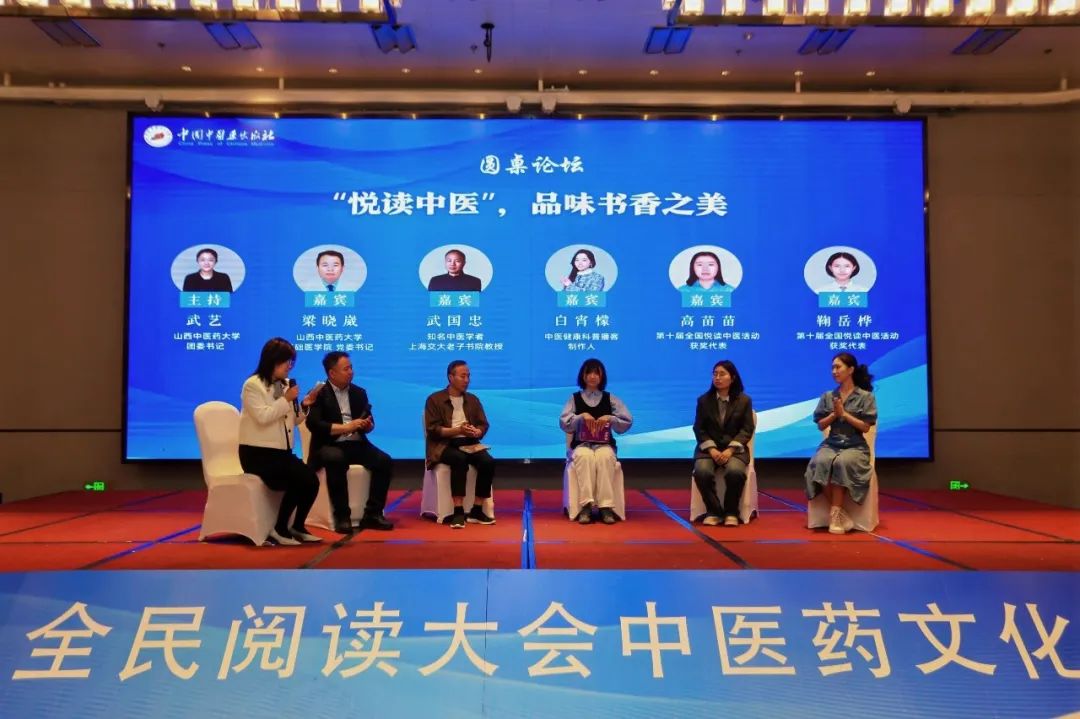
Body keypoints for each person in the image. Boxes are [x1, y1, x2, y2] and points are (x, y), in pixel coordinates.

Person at [238, 337, 323, 546]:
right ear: (273, 361)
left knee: (311, 480)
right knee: (298, 480)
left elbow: (292, 420)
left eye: (291, 362)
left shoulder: (284, 385)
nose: (289, 367)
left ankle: (297, 526)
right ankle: (280, 529)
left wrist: (305, 405)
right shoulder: (252, 385)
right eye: (287, 362)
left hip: (281, 453)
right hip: (258, 454)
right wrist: (286, 399)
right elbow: (263, 417)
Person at [305, 351, 394, 534]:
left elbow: (369, 423)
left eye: (351, 368)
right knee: (336, 458)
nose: (351, 372)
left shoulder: (359, 392)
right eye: (346, 369)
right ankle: (342, 516)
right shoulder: (318, 394)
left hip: (356, 443)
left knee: (384, 461)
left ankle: (373, 514)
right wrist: (345, 427)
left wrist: (367, 426)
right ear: (332, 373)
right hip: (328, 445)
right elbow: (314, 424)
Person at [804, 352, 878, 535]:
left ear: (850, 370)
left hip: (855, 445)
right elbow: (821, 424)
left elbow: (866, 427)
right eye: (832, 368)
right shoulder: (828, 396)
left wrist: (844, 414)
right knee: (818, 463)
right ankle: (839, 512)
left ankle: (835, 516)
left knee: (841, 463)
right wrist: (834, 415)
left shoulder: (866, 397)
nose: (834, 371)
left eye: (838, 367)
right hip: (832, 443)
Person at [558, 358, 632, 524]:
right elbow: (564, 422)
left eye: (596, 373)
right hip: (581, 444)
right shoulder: (574, 399)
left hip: (604, 444)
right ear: (583, 376)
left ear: (602, 376)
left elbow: (627, 421)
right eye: (589, 373)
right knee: (585, 457)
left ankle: (606, 507)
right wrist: (580, 417)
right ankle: (586, 506)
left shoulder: (611, 398)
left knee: (604, 457)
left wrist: (611, 418)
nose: (592, 376)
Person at [424, 360, 495, 528]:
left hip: (470, 442)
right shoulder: (435, 399)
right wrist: (458, 430)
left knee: (488, 462)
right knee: (459, 459)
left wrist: (477, 432)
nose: (467, 380)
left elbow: (483, 424)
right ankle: (458, 511)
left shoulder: (472, 399)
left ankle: (477, 510)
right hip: (444, 445)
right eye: (463, 376)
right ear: (451, 377)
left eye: (468, 376)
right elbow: (433, 430)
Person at [692, 360, 755, 526]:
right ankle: (714, 511)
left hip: (734, 450)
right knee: (701, 472)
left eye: (722, 374)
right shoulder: (704, 400)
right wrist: (712, 449)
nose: (717, 378)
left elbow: (747, 429)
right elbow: (699, 428)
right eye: (715, 374)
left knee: (735, 472)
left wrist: (730, 449)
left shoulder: (744, 401)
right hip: (708, 450)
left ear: (732, 378)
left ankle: (731, 512)